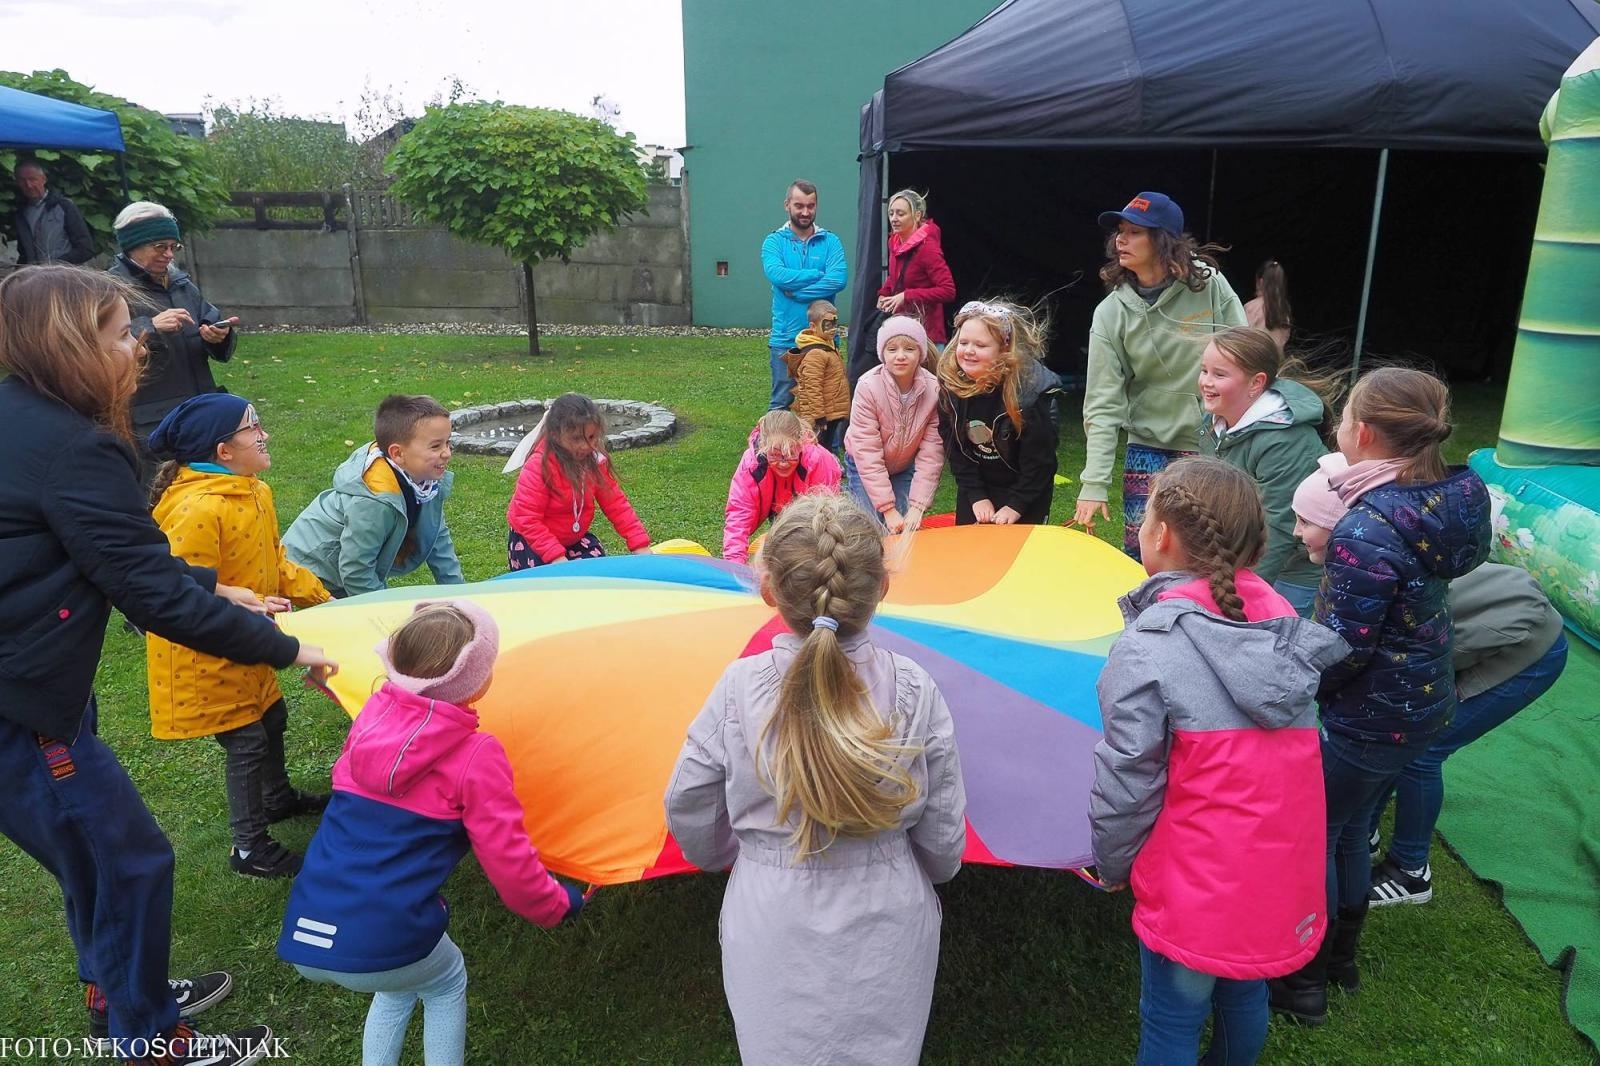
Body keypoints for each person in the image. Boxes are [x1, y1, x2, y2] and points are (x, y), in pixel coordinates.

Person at [0, 265, 336, 1065]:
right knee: (130, 857)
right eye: (122, 334)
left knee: (90, 855)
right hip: (22, 703)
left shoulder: (22, 416)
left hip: (34, 686)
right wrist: (293, 648)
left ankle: (116, 991)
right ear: (72, 344)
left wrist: (219, 586)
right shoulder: (75, 446)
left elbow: (109, 555)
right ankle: (151, 1039)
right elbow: (156, 601)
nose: (138, 351)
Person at [666, 493, 968, 1066]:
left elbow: (689, 798)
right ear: (881, 587)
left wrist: (729, 855)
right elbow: (943, 820)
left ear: (769, 591)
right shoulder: (914, 687)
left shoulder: (739, 689)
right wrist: (928, 872)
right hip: (890, 914)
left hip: (770, 911)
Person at [1090, 457, 1347, 1066]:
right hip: (1275, 877)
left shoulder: (1149, 645)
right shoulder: (1282, 621)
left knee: (1172, 1023)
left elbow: (1128, 778)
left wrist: (1113, 862)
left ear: (1160, 537)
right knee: (1243, 997)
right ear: (1255, 545)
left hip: (1195, 886)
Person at [1268, 367, 1490, 1026]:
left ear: (1361, 434)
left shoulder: (1366, 527)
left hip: (1369, 716)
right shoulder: (1455, 494)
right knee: (1349, 832)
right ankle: (1341, 961)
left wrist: (1295, 683)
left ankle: (1303, 980)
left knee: (1322, 836)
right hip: (1421, 698)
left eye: (1342, 419)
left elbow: (1343, 647)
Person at [279, 600, 585, 1066]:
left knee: (398, 984)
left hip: (306, 929)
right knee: (443, 982)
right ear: (476, 680)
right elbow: (509, 861)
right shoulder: (475, 754)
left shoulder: (371, 719)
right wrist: (556, 905)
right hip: (388, 934)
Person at [1290, 460, 1571, 907]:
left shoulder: (1380, 575)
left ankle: (1410, 870)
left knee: (1422, 749)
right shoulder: (1369, 561)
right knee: (1396, 743)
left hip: (1529, 645)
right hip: (1482, 635)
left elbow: (1358, 662)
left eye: (1305, 521)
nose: (1295, 532)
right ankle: (1363, 834)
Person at [145, 393, 333, 879]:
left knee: (272, 715)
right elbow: (178, 593)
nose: (263, 434)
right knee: (246, 740)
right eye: (253, 428)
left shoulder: (253, 490)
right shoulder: (196, 509)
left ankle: (277, 799)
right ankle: (250, 848)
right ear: (223, 450)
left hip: (247, 641)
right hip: (202, 652)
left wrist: (327, 601)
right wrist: (238, 601)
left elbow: (275, 562)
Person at [1074, 191, 1246, 558]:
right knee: (1145, 551)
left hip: (1210, 441)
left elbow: (1245, 354)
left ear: (1164, 241)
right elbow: (1103, 403)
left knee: (1207, 551)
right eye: (1120, 230)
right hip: (1147, 442)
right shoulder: (1110, 312)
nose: (1121, 239)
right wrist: (1094, 483)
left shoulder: (1209, 284)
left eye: (1135, 231)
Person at [1195, 325, 1337, 614]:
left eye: (1219, 374)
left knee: (1273, 641)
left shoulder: (1284, 440)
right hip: (1244, 557)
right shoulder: (1215, 420)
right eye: (1204, 370)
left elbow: (1281, 527)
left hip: (1297, 565)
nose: (1206, 383)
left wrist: (1239, 593)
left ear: (1256, 383)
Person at [106, 202, 239, 483]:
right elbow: (100, 348)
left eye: (173, 247)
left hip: (199, 407)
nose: (168, 255)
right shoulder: (110, 290)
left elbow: (209, 319)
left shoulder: (182, 284)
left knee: (206, 487)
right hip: (149, 419)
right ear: (134, 245)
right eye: (159, 247)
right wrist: (150, 327)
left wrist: (218, 335)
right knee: (158, 493)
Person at [283, 394, 465, 597]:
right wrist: (383, 611)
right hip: (309, 573)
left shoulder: (426, 482)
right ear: (397, 454)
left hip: (344, 571)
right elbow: (356, 571)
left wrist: (461, 597)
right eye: (436, 446)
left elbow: (437, 539)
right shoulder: (374, 499)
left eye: (448, 443)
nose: (447, 453)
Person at [937, 299, 1061, 525]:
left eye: (980, 345)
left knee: (1018, 556)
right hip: (978, 486)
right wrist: (976, 496)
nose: (969, 351)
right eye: (963, 343)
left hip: (1026, 490)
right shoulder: (952, 388)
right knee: (970, 553)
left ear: (1004, 349)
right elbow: (955, 449)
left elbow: (1040, 462)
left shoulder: (1030, 395)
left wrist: (1016, 505)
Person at [505, 392, 652, 569]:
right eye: (576, 438)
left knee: (596, 571)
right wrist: (557, 558)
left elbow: (616, 504)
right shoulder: (539, 466)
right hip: (533, 543)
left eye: (591, 437)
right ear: (555, 435)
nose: (586, 446)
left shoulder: (594, 461)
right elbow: (526, 518)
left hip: (571, 540)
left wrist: (640, 544)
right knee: (550, 586)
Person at [844, 315, 944, 533]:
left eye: (909, 349)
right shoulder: (868, 387)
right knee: (869, 529)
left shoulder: (934, 390)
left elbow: (932, 452)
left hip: (903, 464)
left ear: (921, 353)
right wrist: (887, 509)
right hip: (863, 464)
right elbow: (867, 450)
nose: (900, 356)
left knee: (905, 528)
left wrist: (917, 506)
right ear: (882, 353)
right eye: (892, 349)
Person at [761, 179, 847, 410]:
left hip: (824, 337)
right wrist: (815, 274)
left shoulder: (831, 241)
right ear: (786, 205)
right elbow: (777, 274)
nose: (805, 212)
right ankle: (776, 447)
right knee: (782, 402)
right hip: (786, 338)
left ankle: (828, 447)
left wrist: (797, 294)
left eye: (811, 206)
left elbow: (838, 279)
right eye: (799, 206)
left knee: (829, 404)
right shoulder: (774, 242)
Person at [722, 409, 842, 565]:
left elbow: (825, 518)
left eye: (790, 453)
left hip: (813, 517)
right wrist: (734, 565)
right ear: (763, 447)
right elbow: (739, 514)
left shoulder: (818, 461)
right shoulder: (752, 464)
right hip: (778, 510)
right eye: (775, 454)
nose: (783, 462)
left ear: (801, 444)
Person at [875, 189, 956, 349]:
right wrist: (884, 293)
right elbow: (894, 277)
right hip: (901, 328)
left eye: (900, 213)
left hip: (928, 334)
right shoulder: (894, 242)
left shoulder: (928, 249)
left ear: (917, 215)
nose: (894, 219)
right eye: (891, 213)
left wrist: (907, 296)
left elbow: (948, 291)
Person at [782, 299, 850, 452]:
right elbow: (812, 387)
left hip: (830, 411)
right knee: (816, 450)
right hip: (821, 417)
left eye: (835, 323)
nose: (833, 329)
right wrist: (819, 417)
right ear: (813, 326)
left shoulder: (827, 346)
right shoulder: (816, 354)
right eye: (828, 324)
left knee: (825, 448)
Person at [12, 159, 96, 265]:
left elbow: (86, 249)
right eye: (22, 180)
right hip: (36, 278)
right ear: (17, 183)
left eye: (33, 179)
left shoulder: (64, 206)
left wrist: (55, 265)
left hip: (67, 276)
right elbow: (24, 254)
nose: (28, 185)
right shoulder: (21, 214)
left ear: (44, 179)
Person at [1244, 259, 1292, 351]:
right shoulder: (1284, 307)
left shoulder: (1251, 307)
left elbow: (1242, 337)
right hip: (1278, 361)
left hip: (1256, 360)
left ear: (1261, 282)